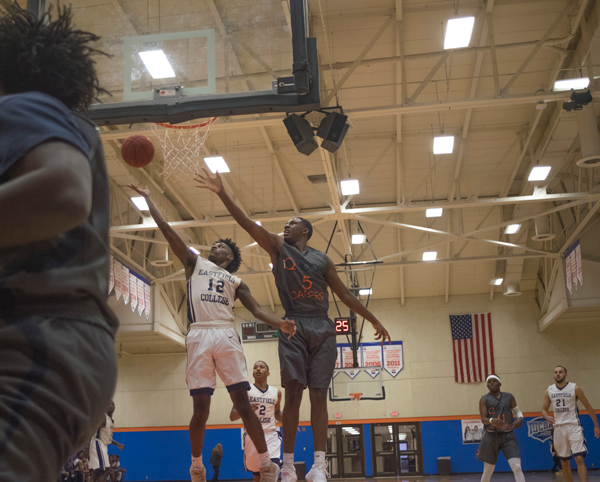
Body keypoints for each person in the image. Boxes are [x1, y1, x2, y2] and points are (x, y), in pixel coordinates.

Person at [196, 169, 391, 482]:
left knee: (319, 395)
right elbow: (248, 224)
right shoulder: (277, 247)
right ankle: (287, 466)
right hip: (293, 324)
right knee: (294, 393)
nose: (286, 225)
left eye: (292, 223)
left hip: (323, 327)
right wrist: (221, 193)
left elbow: (345, 296)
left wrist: (374, 319)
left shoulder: (322, 260)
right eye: (285, 224)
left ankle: (319, 466)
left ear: (306, 231)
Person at [0, 1, 119, 479]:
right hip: (57, 340)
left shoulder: (24, 105)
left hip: (37, 335)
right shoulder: (61, 121)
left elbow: (65, 190)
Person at [128, 186, 296, 482]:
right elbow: (167, 231)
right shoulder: (194, 264)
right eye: (215, 243)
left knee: (244, 405)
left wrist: (279, 322)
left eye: (220, 245)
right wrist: (148, 199)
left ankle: (267, 463)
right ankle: (196, 465)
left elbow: (257, 310)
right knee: (200, 409)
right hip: (199, 335)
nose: (214, 245)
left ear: (229, 256)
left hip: (225, 334)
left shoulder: (235, 280)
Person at [542, 366, 600, 482]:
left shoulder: (575, 388)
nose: (558, 374)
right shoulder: (549, 390)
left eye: (560, 372)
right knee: (564, 461)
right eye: (556, 372)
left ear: (566, 374)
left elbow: (588, 406)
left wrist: (596, 425)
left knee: (579, 458)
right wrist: (546, 416)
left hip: (574, 426)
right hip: (558, 428)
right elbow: (544, 409)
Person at [230, 361, 283, 482]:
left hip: (271, 434)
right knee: (258, 476)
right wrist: (244, 408)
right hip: (251, 436)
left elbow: (277, 413)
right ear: (252, 373)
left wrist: (291, 422)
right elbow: (232, 416)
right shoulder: (244, 392)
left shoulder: (276, 392)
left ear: (268, 373)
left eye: (261, 367)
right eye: (255, 367)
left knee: (272, 469)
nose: (258, 369)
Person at [477, 375, 525, 482]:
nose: (492, 383)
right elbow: (483, 419)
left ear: (500, 384)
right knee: (488, 470)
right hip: (491, 436)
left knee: (517, 467)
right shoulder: (484, 399)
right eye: (489, 382)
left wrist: (520, 418)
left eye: (494, 381)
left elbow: (517, 411)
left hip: (508, 435)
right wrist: (491, 420)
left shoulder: (509, 397)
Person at [89, 401, 124, 482]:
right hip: (97, 443)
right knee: (106, 470)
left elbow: (108, 438)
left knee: (97, 471)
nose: (112, 406)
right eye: (109, 404)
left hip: (103, 445)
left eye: (113, 404)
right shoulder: (103, 417)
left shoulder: (111, 421)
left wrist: (117, 444)